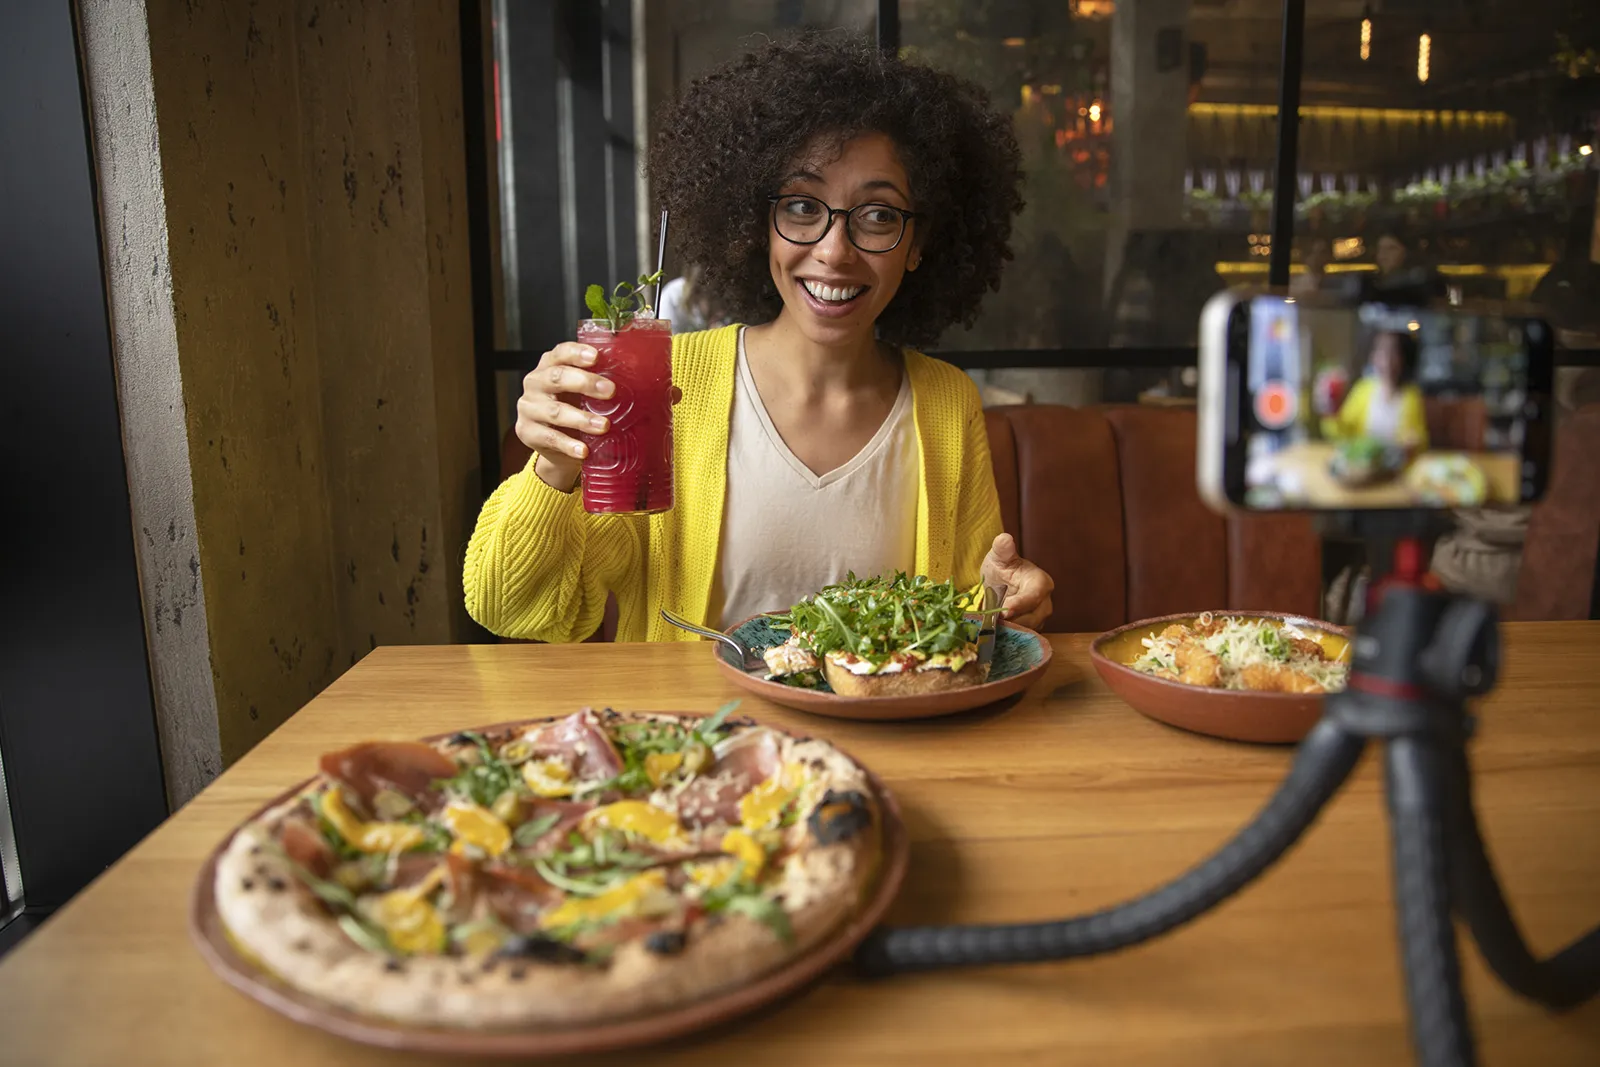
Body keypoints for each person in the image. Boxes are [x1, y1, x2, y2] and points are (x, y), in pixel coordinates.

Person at [464, 33, 1054, 643]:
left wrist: (998, 598)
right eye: (802, 207)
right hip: (694, 736)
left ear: (919, 244)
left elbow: (956, 630)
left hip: (879, 737)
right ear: (759, 225)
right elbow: (513, 608)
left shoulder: (945, 402)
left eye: (878, 215)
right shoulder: (666, 386)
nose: (833, 252)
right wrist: (555, 469)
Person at [1320, 329, 1429, 449]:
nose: (1387, 361)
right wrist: (1331, 412)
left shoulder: (1411, 395)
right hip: (1362, 464)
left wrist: (1413, 442)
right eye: (1381, 352)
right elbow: (1340, 433)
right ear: (1373, 357)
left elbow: (1421, 441)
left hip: (1397, 465)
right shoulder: (1363, 389)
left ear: (1403, 358)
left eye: (1393, 353)